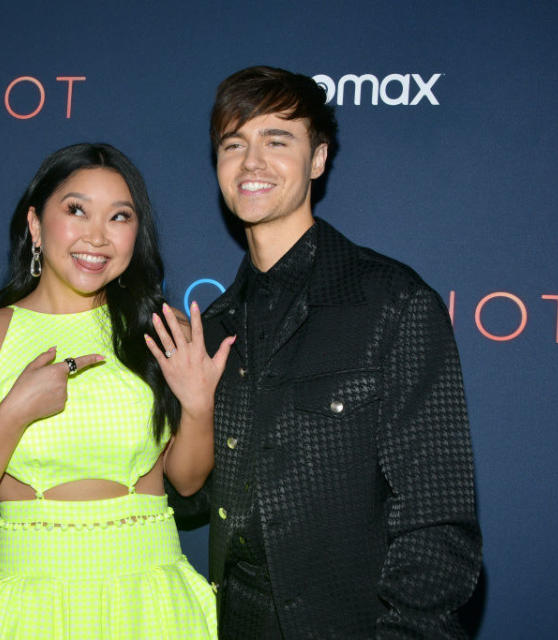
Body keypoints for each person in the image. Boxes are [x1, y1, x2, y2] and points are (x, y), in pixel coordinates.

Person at [170, 66, 483, 638]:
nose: (251, 162)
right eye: (233, 144)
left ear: (318, 159)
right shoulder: (214, 331)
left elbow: (437, 518)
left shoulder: (391, 303)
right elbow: (188, 500)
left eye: (277, 140)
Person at [0, 143, 233, 639]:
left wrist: (198, 404)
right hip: (30, 605)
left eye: (119, 217)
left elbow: (188, 480)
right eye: (76, 210)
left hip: (151, 605)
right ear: (35, 224)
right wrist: (16, 412)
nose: (97, 236)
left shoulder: (162, 328)